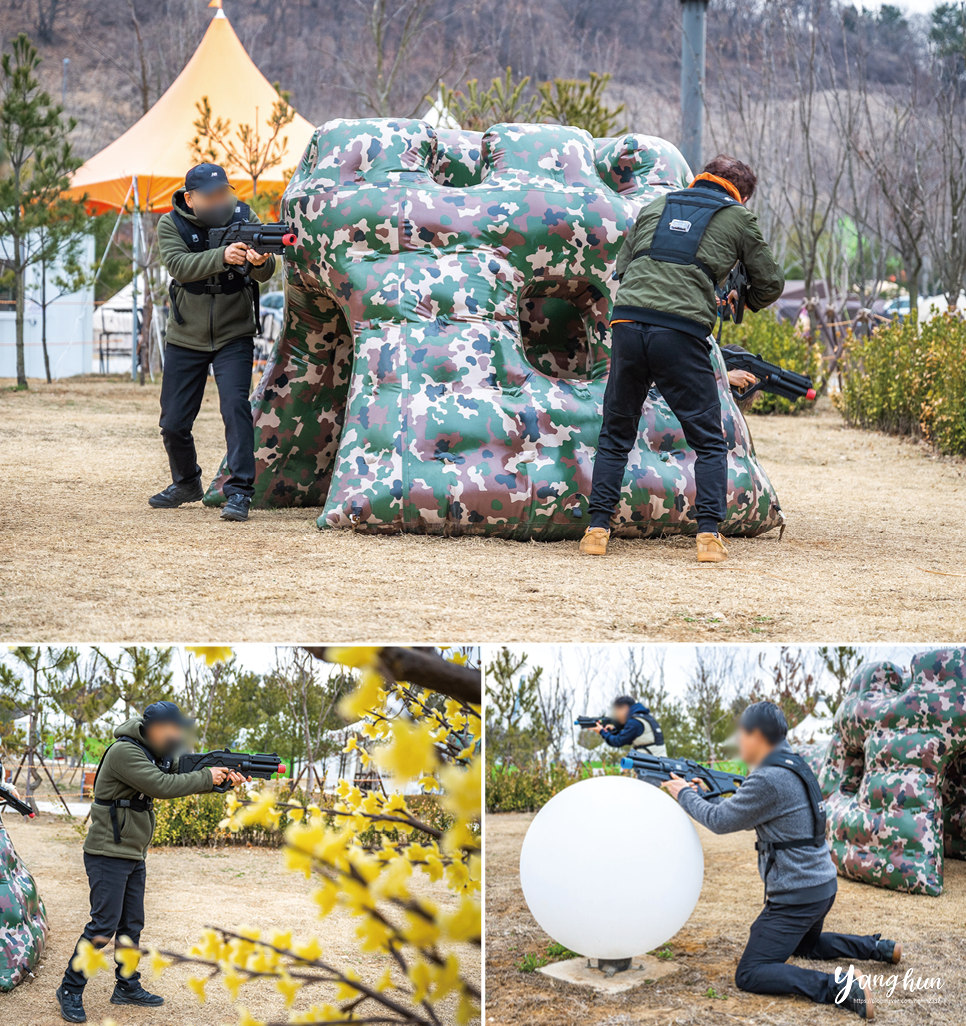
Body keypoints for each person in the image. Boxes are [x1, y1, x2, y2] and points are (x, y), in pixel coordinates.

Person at [580, 155, 785, 563]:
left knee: (616, 432)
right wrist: (739, 298)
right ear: (740, 193)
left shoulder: (656, 206)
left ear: (700, 179)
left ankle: (596, 531)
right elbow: (771, 283)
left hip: (627, 321)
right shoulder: (738, 217)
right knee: (709, 440)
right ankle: (709, 538)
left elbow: (625, 266)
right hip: (680, 331)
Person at [662, 702, 901, 1020]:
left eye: (741, 734)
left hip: (797, 897)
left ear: (757, 735)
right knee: (806, 947)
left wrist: (683, 793)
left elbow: (720, 821)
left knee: (750, 972)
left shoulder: (768, 778)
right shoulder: (794, 764)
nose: (739, 742)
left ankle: (840, 988)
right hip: (821, 887)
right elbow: (746, 812)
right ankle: (878, 949)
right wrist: (704, 791)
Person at [56, 702, 249, 1023]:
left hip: (132, 852)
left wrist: (222, 780)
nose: (178, 735)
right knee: (103, 926)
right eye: (174, 729)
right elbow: (162, 786)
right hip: (108, 852)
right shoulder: (125, 752)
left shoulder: (152, 753)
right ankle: (70, 988)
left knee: (131, 925)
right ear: (157, 728)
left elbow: (182, 775)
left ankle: (127, 986)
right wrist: (206, 777)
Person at [150, 163, 277, 522]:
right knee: (173, 422)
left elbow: (266, 273)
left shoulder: (244, 215)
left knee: (235, 409)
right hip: (185, 334)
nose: (220, 201)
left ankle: (239, 492)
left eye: (224, 193)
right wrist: (222, 257)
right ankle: (187, 482)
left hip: (233, 332)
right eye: (210, 197)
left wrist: (260, 260)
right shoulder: (170, 223)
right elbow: (178, 265)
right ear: (190, 199)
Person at [587, 695, 667, 755]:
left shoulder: (634, 722)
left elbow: (618, 741)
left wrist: (602, 732)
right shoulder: (643, 717)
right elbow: (627, 736)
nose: (617, 716)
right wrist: (614, 731)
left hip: (652, 765)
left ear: (624, 708)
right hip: (657, 761)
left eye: (617, 711)